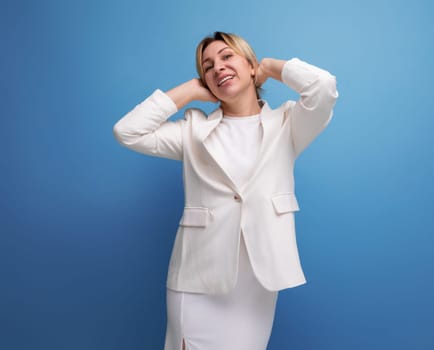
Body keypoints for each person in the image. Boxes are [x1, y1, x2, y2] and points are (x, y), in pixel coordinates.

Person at [113, 31, 338, 350]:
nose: (217, 67)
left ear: (249, 65)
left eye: (227, 57)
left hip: (257, 282)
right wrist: (189, 92)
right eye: (207, 66)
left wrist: (271, 66)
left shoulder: (288, 123)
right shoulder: (192, 130)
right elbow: (127, 132)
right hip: (197, 279)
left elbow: (324, 88)